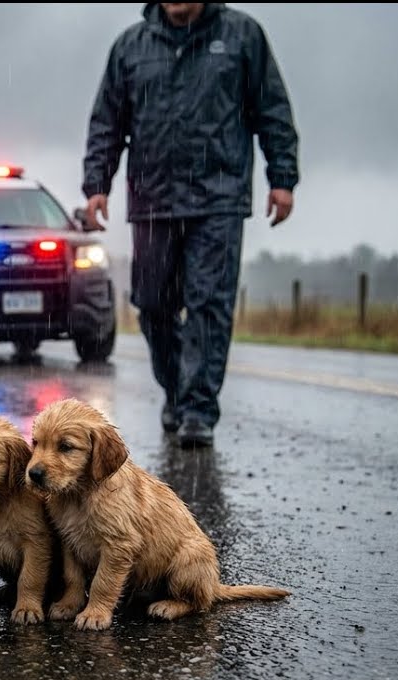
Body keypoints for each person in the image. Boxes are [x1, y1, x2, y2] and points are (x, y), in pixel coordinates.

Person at [81, 2, 298, 448]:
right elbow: (108, 120)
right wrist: (96, 184)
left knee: (208, 304)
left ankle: (197, 409)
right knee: (152, 304)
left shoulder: (242, 36)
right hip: (153, 200)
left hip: (218, 199)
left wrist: (283, 178)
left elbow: (271, 110)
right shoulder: (131, 46)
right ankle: (177, 389)